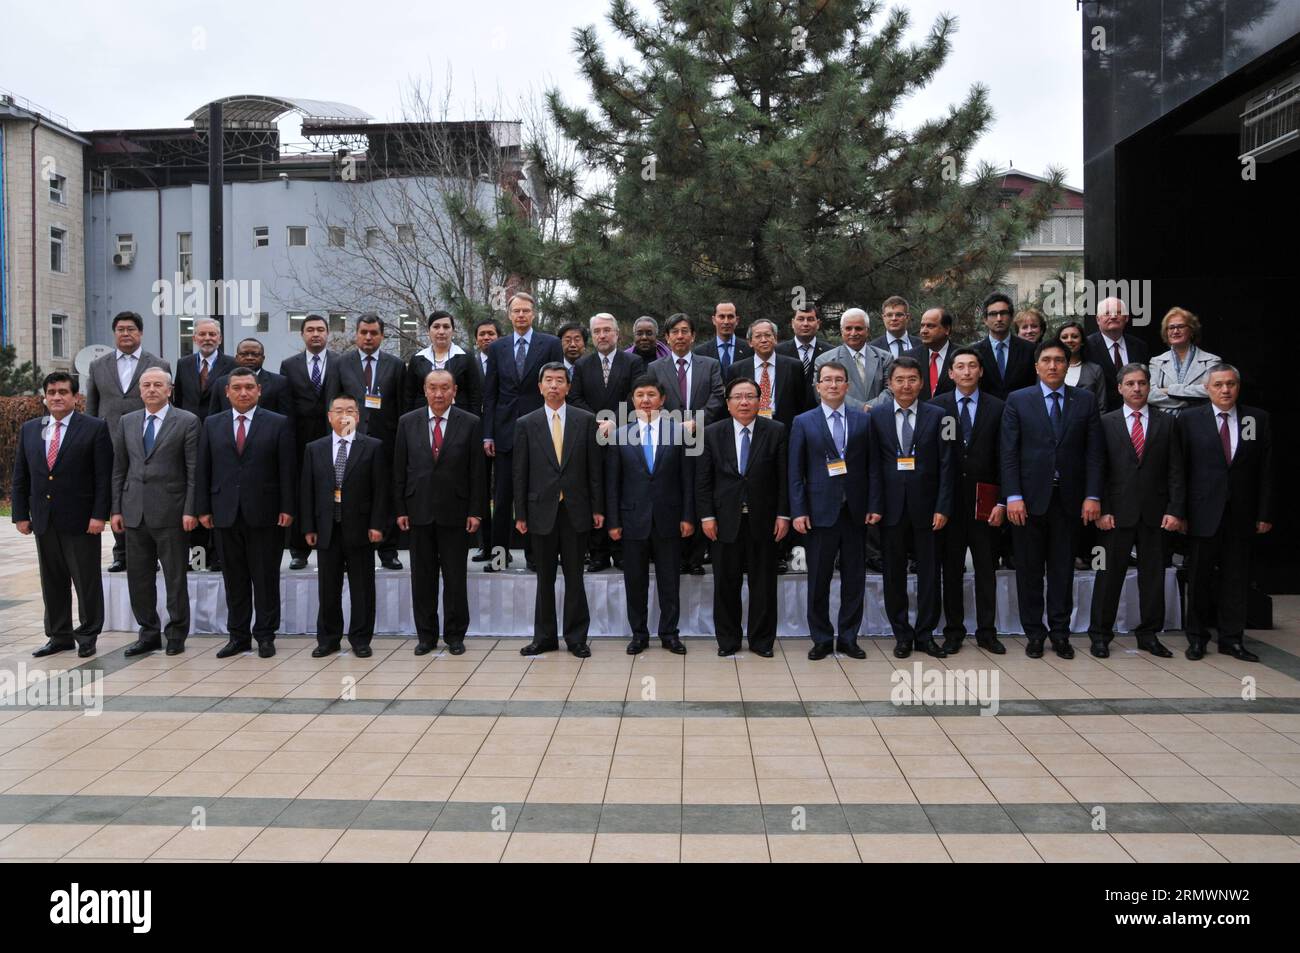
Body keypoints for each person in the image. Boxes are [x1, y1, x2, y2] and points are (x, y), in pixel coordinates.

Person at [1001, 339, 1104, 659]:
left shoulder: (1084, 401)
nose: (1053, 365)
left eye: (1059, 360)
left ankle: (1060, 633)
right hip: (1028, 502)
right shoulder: (1018, 400)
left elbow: (1094, 453)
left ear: (1067, 364)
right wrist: (1013, 496)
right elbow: (1008, 453)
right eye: (1046, 360)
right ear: (1037, 366)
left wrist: (1092, 495)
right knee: (1029, 571)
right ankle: (1034, 633)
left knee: (1062, 570)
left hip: (1069, 501)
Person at [195, 367, 297, 658]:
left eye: (249, 387)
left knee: (265, 579)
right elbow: (204, 468)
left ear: (259, 391)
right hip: (224, 512)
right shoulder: (212, 424)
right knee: (234, 578)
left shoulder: (278, 423)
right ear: (227, 392)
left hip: (266, 513)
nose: (243, 392)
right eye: (237, 387)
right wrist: (202, 507)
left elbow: (287, 469)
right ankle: (238, 636)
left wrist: (287, 507)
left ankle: (265, 635)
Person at [12, 373, 113, 659]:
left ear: (75, 397)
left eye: (63, 392)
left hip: (81, 520)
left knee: (86, 581)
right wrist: (21, 514)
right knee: (52, 580)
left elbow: (102, 478)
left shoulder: (94, 428)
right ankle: (59, 635)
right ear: (45, 396)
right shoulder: (31, 429)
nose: (57, 397)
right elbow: (21, 475)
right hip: (44, 519)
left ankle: (88, 633)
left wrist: (99, 516)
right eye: (51, 392)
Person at [1087, 364, 1185, 659]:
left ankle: (1149, 634)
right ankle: (1100, 635)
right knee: (1107, 575)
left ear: (1149, 386)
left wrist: (1175, 510)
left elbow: (1176, 470)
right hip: (1115, 514)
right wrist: (1102, 508)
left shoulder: (1167, 422)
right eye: (1130, 383)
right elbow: (1097, 468)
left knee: (1152, 577)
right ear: (1119, 388)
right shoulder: (1105, 422)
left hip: (1156, 514)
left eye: (1142, 383)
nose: (1137, 388)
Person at [1178, 364, 1273, 662]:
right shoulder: (1190, 419)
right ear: (1207, 388)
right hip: (1202, 513)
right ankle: (1196, 638)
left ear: (1238, 386)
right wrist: (1179, 512)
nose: (1225, 390)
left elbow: (1267, 471)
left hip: (1241, 515)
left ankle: (1232, 639)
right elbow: (1179, 470)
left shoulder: (1256, 419)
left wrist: (1265, 513)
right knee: (1199, 577)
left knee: (1236, 579)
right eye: (1218, 384)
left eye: (1231, 384)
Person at [513, 363, 604, 657]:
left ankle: (576, 638)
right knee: (545, 579)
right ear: (539, 387)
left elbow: (594, 470)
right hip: (541, 511)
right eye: (548, 380)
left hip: (576, 510)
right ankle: (544, 637)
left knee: (575, 577)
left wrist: (598, 508)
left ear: (568, 387)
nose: (554, 385)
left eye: (560, 381)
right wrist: (521, 514)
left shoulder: (585, 420)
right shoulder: (526, 423)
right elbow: (520, 472)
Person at [867, 356, 955, 658]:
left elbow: (948, 466)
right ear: (889, 384)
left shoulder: (941, 416)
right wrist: (875, 505)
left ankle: (926, 634)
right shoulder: (875, 417)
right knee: (894, 575)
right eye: (900, 380)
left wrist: (943, 507)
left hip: (929, 509)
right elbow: (873, 467)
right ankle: (902, 634)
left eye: (912, 379)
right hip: (890, 510)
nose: (906, 385)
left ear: (921, 382)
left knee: (930, 574)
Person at [697, 377, 790, 657]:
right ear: (728, 404)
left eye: (750, 396)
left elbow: (784, 477)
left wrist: (784, 514)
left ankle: (762, 642)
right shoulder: (712, 432)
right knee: (726, 584)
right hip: (725, 521)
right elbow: (703, 480)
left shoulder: (776, 431)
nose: (744, 402)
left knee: (763, 584)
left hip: (765, 520)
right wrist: (706, 516)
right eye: (738, 397)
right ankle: (728, 640)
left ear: (760, 402)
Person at [394, 370, 485, 656]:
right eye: (433, 388)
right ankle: (426, 635)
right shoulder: (407, 422)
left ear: (454, 390)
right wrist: (400, 508)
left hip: (456, 512)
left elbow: (478, 473)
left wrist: (476, 511)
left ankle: (455, 635)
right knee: (422, 578)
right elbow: (399, 469)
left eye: (445, 388)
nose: (438, 393)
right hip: (418, 510)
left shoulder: (470, 423)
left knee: (455, 577)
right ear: (424, 390)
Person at [110, 368, 199, 657]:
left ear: (169, 389)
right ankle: (148, 633)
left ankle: (176, 634)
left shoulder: (186, 421)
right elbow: (120, 468)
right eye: (146, 385)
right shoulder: (127, 422)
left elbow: (192, 471)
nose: (151, 389)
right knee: (139, 578)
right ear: (139, 390)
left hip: (172, 513)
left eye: (157, 385)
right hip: (134, 511)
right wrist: (116, 509)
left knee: (175, 578)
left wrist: (190, 510)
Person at [605, 376, 694, 655]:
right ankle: (639, 634)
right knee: (635, 581)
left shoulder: (677, 433)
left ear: (662, 399)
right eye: (640, 395)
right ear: (632, 401)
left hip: (669, 519)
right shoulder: (620, 435)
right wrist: (614, 521)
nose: (645, 400)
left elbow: (687, 480)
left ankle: (669, 633)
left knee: (670, 580)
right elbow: (612, 484)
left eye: (651, 395)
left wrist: (688, 516)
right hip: (632, 521)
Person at [789, 361, 870, 660]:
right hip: (819, 511)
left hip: (855, 511)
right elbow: (795, 472)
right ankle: (821, 638)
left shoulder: (863, 421)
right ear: (818, 386)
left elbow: (871, 467)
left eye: (839, 380)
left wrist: (873, 505)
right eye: (827, 380)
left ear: (847, 386)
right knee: (818, 579)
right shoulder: (803, 421)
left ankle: (849, 637)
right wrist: (798, 510)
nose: (833, 385)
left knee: (854, 579)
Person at [301, 394, 390, 659]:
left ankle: (361, 639)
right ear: (329, 416)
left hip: (361, 529)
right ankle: (328, 639)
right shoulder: (314, 448)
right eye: (338, 411)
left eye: (349, 410)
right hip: (327, 528)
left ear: (358, 416)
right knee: (328, 588)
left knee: (362, 587)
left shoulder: (373, 447)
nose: (344, 415)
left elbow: (381, 491)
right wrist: (308, 527)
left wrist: (377, 525)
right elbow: (307, 490)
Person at [482, 292, 564, 572]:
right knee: (502, 498)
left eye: (525, 311)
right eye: (516, 311)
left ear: (533, 314)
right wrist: (488, 434)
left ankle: (535, 556)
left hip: (539, 431)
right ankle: (498, 557)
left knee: (535, 496)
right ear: (509, 314)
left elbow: (556, 388)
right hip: (504, 433)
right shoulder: (497, 348)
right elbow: (490, 394)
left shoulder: (551, 344)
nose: (520, 315)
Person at [933, 348, 1006, 655]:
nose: (966, 372)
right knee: (950, 570)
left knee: (986, 569)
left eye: (972, 366)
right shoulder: (936, 408)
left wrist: (1003, 500)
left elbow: (1007, 457)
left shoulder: (999, 407)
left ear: (980, 371)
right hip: (950, 504)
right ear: (950, 373)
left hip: (985, 501)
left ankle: (987, 631)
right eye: (959, 367)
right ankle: (953, 630)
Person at [84, 310, 171, 571]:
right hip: (109, 440)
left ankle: (150, 553)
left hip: (145, 441)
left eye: (131, 329)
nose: (125, 333)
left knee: (146, 493)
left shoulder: (159, 364)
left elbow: (168, 405)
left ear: (141, 333)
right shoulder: (98, 366)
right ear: (114, 333)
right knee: (115, 494)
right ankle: (121, 552)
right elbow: (92, 407)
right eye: (120, 329)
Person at [569, 313, 647, 571]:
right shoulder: (582, 365)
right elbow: (576, 399)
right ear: (592, 336)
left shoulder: (634, 362)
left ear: (617, 334)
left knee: (621, 493)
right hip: (593, 439)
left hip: (625, 437)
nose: (602, 335)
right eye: (597, 331)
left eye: (606, 330)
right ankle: (599, 552)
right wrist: (597, 422)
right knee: (596, 493)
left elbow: (637, 397)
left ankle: (621, 550)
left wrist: (614, 421)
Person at [335, 314, 405, 570]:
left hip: (386, 441)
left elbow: (402, 407)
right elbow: (331, 404)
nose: (368, 337)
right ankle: (350, 549)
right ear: (356, 334)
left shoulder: (396, 365)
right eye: (363, 332)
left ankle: (388, 551)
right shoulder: (341, 364)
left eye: (373, 333)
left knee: (386, 495)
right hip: (349, 441)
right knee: (351, 495)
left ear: (382, 336)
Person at [280, 314, 340, 570]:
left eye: (320, 330)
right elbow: (285, 405)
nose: (315, 334)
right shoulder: (289, 365)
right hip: (300, 437)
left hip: (334, 435)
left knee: (336, 489)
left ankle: (338, 545)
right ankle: (299, 550)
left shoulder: (341, 361)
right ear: (302, 334)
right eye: (310, 330)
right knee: (301, 491)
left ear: (328, 333)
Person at [405, 310, 481, 414]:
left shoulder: (466, 357)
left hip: (459, 419)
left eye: (446, 327)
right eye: (436, 327)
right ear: (429, 331)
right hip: (423, 420)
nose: (441, 331)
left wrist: (473, 424)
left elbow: (475, 395)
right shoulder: (417, 358)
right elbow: (409, 397)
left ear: (453, 331)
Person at [815, 308, 892, 410]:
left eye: (858, 328)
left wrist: (873, 409)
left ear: (867, 331)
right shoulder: (825, 360)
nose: (853, 333)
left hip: (878, 418)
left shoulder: (885, 358)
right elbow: (822, 393)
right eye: (848, 328)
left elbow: (891, 389)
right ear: (842, 331)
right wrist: (861, 407)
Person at [1148, 307, 1220, 414]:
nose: (1176, 331)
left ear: (1192, 330)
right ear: (1166, 332)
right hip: (1166, 422)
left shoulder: (1211, 360)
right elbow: (1150, 395)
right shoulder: (1156, 361)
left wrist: (1168, 390)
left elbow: (1212, 391)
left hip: (1199, 420)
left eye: (1181, 326)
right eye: (1171, 327)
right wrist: (1192, 400)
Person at [1086, 296, 1151, 412]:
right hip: (1099, 415)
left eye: (1119, 312)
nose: (1113, 316)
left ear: (1126, 318)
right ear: (1097, 319)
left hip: (1136, 414)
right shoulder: (1086, 347)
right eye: (1107, 313)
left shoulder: (1139, 346)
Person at [973, 293, 1036, 400]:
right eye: (993, 314)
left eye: (1003, 313)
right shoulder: (974, 352)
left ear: (1011, 317)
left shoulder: (1029, 350)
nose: (999, 319)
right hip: (988, 413)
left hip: (1021, 411)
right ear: (985, 319)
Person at [471, 318, 499, 561]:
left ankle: (501, 549)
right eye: (482, 334)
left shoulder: (503, 361)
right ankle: (484, 545)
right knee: (479, 490)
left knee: (501, 493)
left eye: (491, 333)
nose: (486, 338)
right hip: (474, 433)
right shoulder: (469, 363)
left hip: (500, 433)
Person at [208, 337, 291, 415]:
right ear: (236, 358)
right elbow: (214, 417)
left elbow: (286, 417)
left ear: (263, 358)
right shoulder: (221, 383)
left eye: (255, 354)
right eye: (244, 354)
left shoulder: (279, 382)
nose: (249, 358)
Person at [173, 317, 235, 418]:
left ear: (220, 339)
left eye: (212, 334)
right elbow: (179, 398)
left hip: (219, 425)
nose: (207, 338)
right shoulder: (183, 364)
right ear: (194, 339)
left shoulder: (232, 364)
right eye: (202, 334)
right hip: (189, 426)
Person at [775, 302, 832, 404]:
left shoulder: (830, 352)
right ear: (793, 323)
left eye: (810, 319)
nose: (805, 324)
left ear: (818, 324)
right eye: (801, 319)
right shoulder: (777, 352)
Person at [906, 307, 955, 402]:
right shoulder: (909, 357)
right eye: (922, 326)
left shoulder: (962, 355)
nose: (923, 331)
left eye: (930, 326)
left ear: (947, 329)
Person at [1056, 320, 1106, 408]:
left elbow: (1101, 406)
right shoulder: (1049, 368)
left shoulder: (1095, 370)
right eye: (1064, 337)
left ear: (1082, 341)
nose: (1069, 340)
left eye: (1074, 336)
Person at [694, 301, 752, 373]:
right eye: (721, 317)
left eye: (730, 316)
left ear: (737, 320)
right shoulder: (700, 353)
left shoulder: (749, 350)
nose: (726, 321)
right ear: (714, 320)